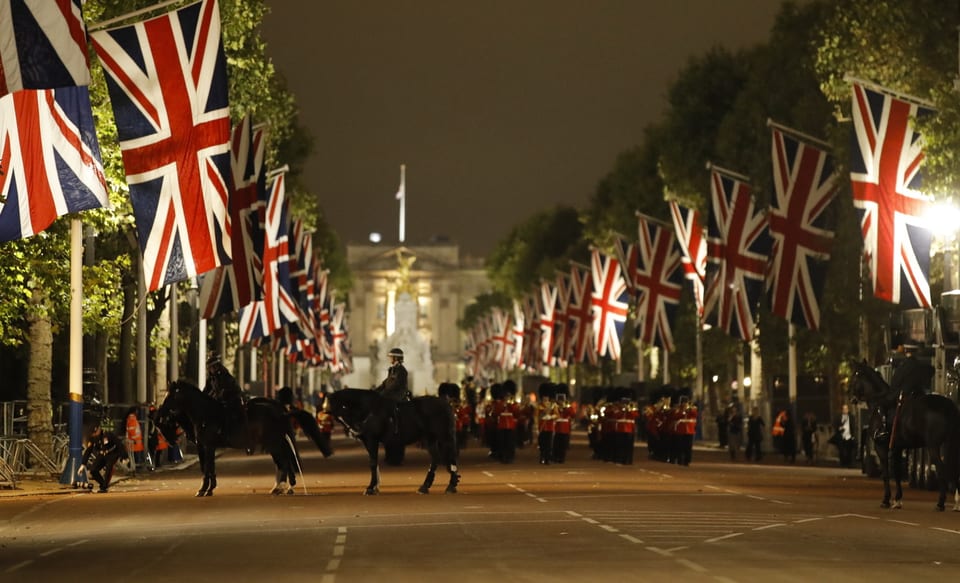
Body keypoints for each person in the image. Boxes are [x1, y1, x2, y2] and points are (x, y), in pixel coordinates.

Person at [204, 351, 251, 453]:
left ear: (217, 366)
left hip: (232, 400)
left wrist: (221, 395)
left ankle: (246, 439)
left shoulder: (225, 376)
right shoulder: (211, 379)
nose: (211, 369)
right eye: (209, 367)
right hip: (219, 402)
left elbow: (230, 389)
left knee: (237, 415)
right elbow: (206, 392)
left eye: (212, 367)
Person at [78, 425, 128, 493]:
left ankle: (104, 487)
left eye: (96, 432)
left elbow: (119, 444)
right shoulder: (93, 438)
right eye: (94, 433)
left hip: (112, 454)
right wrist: (83, 464)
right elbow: (88, 451)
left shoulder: (107, 435)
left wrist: (124, 457)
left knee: (108, 468)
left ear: (99, 429)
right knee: (93, 470)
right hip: (102, 454)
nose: (95, 434)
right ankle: (102, 483)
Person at [375, 347, 410, 434]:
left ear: (396, 358)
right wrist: (375, 391)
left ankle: (396, 426)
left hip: (398, 393)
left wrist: (384, 393)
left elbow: (396, 385)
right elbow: (386, 382)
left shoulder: (402, 370)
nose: (389, 359)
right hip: (390, 392)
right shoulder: (392, 369)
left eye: (391, 357)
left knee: (390, 404)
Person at [833, 403, 857, 468]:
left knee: (849, 450)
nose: (845, 410)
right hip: (841, 436)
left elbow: (854, 427)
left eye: (846, 409)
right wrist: (839, 428)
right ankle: (842, 462)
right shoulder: (838, 417)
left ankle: (848, 463)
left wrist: (853, 435)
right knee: (841, 450)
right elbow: (835, 425)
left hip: (849, 436)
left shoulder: (851, 417)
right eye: (844, 409)